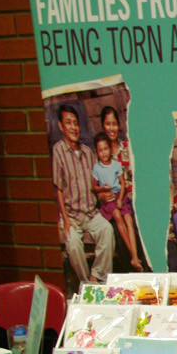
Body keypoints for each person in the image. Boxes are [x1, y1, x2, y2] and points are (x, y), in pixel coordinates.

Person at [51, 103, 113, 285]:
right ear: (61, 126)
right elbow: (59, 189)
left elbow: (96, 185)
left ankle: (97, 276)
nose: (73, 127)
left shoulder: (88, 152)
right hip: (71, 214)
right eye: (68, 123)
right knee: (72, 243)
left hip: (90, 212)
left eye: (76, 123)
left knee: (107, 231)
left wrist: (103, 195)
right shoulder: (58, 151)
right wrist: (65, 219)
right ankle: (86, 283)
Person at [92, 133, 144, 271]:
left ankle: (135, 256)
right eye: (100, 150)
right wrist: (102, 189)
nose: (103, 153)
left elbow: (122, 183)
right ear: (97, 152)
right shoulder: (97, 168)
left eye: (105, 149)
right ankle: (133, 256)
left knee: (129, 220)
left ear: (110, 149)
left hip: (119, 196)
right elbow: (94, 187)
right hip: (108, 199)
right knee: (116, 215)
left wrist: (121, 199)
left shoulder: (116, 165)